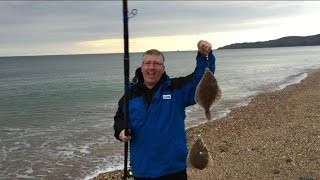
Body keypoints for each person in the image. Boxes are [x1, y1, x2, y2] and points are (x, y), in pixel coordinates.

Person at [113, 40, 216, 180]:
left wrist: (204, 56)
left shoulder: (176, 89)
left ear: (163, 68)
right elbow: (119, 118)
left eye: (157, 63)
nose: (152, 67)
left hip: (174, 169)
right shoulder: (129, 96)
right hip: (142, 170)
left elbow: (202, 81)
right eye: (148, 63)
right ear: (141, 67)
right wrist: (121, 132)